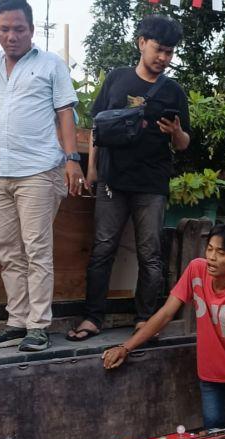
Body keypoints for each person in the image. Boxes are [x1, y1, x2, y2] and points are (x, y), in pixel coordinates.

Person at [0, 0, 82, 351]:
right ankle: (16, 322)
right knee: (8, 251)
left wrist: (72, 160)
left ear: (32, 29)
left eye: (19, 29)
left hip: (40, 172)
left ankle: (38, 326)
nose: (11, 36)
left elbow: (65, 114)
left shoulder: (51, 65)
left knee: (36, 250)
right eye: (4, 29)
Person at [68, 15, 191, 341]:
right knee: (102, 250)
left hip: (152, 185)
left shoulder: (174, 91)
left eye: (169, 52)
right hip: (112, 180)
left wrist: (176, 132)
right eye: (159, 49)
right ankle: (93, 318)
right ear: (141, 43)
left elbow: (185, 143)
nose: (163, 57)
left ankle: (145, 320)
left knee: (150, 255)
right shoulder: (117, 79)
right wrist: (93, 170)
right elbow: (97, 127)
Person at [101, 224, 225, 430]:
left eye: (220, 253)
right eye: (209, 249)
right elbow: (166, 313)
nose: (211, 257)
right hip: (209, 377)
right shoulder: (196, 269)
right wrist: (126, 347)